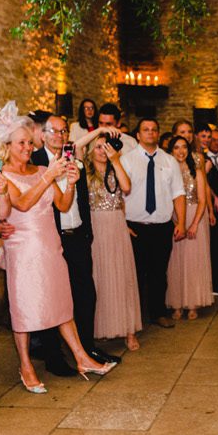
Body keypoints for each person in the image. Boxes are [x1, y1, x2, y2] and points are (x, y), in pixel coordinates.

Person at [0, 104, 113, 391]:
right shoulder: (2, 177)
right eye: (22, 143)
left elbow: (63, 205)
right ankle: (25, 366)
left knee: (61, 302)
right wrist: (49, 177)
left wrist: (69, 183)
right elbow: (22, 203)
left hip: (50, 246)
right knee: (24, 310)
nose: (28, 148)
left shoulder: (42, 169)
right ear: (8, 146)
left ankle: (82, 357)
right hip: (24, 250)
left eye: (30, 143)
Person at [80, 128, 142, 350]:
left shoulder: (117, 168)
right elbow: (76, 147)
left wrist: (115, 160)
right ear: (90, 150)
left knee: (121, 275)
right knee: (100, 277)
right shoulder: (83, 172)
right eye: (98, 147)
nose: (102, 151)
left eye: (105, 146)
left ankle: (129, 330)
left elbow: (126, 188)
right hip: (95, 227)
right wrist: (98, 130)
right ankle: (102, 327)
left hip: (116, 226)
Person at [122, 117, 184, 331]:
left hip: (162, 225)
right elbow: (118, 196)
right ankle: (135, 317)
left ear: (158, 134)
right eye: (145, 130)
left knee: (159, 272)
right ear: (137, 135)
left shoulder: (169, 161)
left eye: (154, 130)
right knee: (136, 273)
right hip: (134, 226)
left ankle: (158, 313)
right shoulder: (126, 160)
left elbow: (178, 193)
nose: (150, 133)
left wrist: (182, 222)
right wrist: (122, 224)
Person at [165, 132, 216, 319]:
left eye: (184, 147)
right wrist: (175, 221)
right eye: (177, 147)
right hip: (174, 217)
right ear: (171, 151)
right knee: (175, 263)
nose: (181, 151)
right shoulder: (167, 170)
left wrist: (194, 224)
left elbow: (203, 199)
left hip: (196, 216)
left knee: (193, 262)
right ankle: (177, 304)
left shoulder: (197, 169)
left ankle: (193, 303)